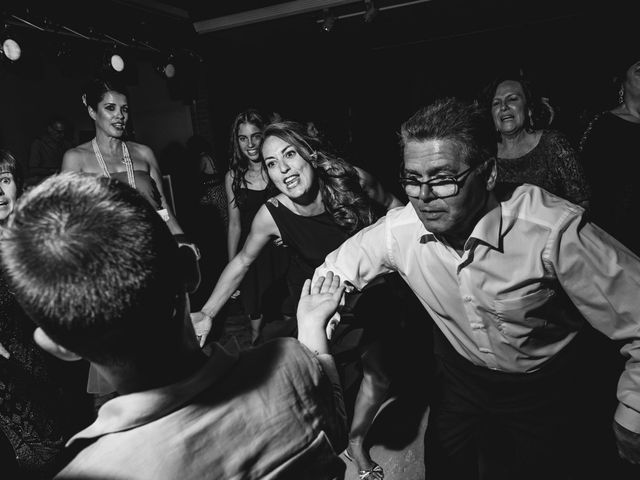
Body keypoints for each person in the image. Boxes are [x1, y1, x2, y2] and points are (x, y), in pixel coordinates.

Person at [314, 97, 640, 479]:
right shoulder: (399, 232)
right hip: (461, 379)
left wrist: (633, 409)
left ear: (487, 174)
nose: (424, 196)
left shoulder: (553, 231)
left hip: (547, 385)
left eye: (442, 178)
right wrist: (315, 333)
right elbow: (332, 273)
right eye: (412, 179)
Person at [0, 171, 348, 479]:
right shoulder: (292, 365)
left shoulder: (88, 470)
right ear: (190, 271)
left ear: (59, 347)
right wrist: (313, 329)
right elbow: (336, 426)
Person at [192, 120, 403, 479]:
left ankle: (356, 439)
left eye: (290, 154)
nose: (284, 168)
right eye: (272, 162)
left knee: (380, 376)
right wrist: (209, 312)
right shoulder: (272, 214)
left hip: (369, 296)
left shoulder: (350, 179)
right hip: (318, 304)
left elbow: (397, 210)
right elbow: (243, 261)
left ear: (310, 154)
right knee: (314, 384)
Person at [0, 150, 87, 479]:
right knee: (39, 458)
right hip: (11, 373)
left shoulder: (35, 235)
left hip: (56, 359)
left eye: (4, 180)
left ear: (16, 185)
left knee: (73, 442)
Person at [60, 74, 185, 237]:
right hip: (108, 253)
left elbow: (163, 208)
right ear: (92, 111)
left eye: (124, 109)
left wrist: (181, 238)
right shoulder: (75, 158)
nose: (120, 115)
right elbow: (68, 220)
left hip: (152, 244)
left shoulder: (144, 153)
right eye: (110, 108)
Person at [224, 109, 290, 344]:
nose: (250, 144)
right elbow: (234, 225)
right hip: (252, 257)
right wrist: (233, 270)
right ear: (237, 141)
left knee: (288, 318)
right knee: (256, 327)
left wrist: (289, 234)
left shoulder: (276, 168)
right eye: (243, 138)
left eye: (255, 136)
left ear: (264, 136)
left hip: (281, 254)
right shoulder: (233, 176)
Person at [482, 71, 590, 209]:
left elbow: (582, 203)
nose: (503, 107)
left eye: (512, 99)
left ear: (529, 109)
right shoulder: (486, 153)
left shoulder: (553, 143)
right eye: (496, 103)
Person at [579, 53, 640, 255]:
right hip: (620, 238)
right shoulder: (605, 126)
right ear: (622, 82)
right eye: (639, 70)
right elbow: (588, 185)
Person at [185, 135, 229, 311]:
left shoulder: (202, 158)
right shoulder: (211, 155)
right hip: (220, 191)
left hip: (212, 193)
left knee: (217, 224)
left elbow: (197, 178)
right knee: (225, 222)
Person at [26, 115, 71, 187]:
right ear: (50, 129)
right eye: (58, 132)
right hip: (43, 183)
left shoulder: (67, 145)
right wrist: (52, 171)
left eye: (64, 132)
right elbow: (32, 170)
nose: (62, 135)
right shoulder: (38, 144)